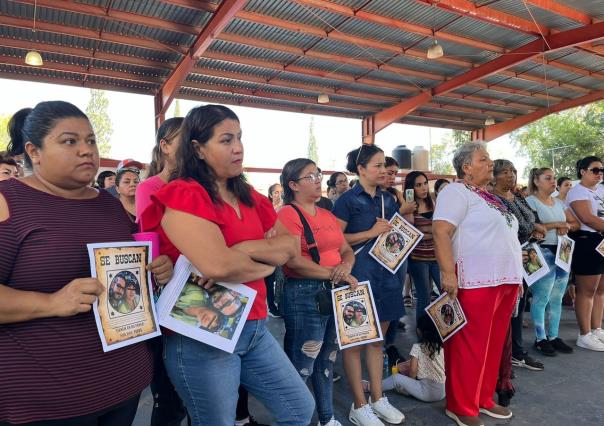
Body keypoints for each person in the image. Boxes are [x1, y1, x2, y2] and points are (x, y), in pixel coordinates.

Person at [140, 104, 315, 426]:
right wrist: (263, 261)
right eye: (225, 140)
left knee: (299, 408)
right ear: (198, 148)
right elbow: (219, 266)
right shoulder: (183, 194)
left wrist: (241, 249)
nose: (238, 148)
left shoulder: (251, 195)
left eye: (239, 138)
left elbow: (289, 247)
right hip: (202, 333)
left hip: (255, 326)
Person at [0, 101, 173, 425]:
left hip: (124, 383)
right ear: (33, 152)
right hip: (43, 400)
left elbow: (128, 273)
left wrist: (156, 269)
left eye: (91, 141)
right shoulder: (8, 200)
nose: (86, 150)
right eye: (70, 141)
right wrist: (51, 302)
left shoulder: (109, 207)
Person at [433, 142, 523, 426]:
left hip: (504, 279)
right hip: (475, 279)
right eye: (484, 159)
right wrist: (448, 273)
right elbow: (441, 231)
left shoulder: (489, 197)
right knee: (469, 345)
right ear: (466, 167)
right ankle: (460, 405)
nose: (490, 163)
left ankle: (482, 398)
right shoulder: (455, 192)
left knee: (492, 344)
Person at [276, 158, 358, 426]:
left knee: (327, 358)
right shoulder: (288, 214)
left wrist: (344, 266)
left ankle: (327, 417)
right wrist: (336, 274)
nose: (318, 180)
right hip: (304, 292)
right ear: (293, 185)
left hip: (333, 290)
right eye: (310, 176)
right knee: (303, 362)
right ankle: (293, 420)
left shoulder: (326, 213)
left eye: (318, 174)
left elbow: (345, 248)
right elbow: (292, 261)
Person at [333, 144, 406, 426]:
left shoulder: (388, 199)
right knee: (355, 343)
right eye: (376, 166)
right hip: (357, 278)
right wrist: (369, 232)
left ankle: (378, 398)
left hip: (387, 275)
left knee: (377, 341)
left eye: (383, 166)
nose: (382, 170)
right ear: (361, 169)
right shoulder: (347, 200)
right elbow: (335, 240)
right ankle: (359, 404)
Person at [490, 159, 546, 406]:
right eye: (504, 172)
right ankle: (504, 359)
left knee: (518, 308)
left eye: (513, 171)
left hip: (525, 255)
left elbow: (528, 221)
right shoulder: (492, 200)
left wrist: (538, 228)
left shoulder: (517, 197)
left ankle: (516, 352)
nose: (510, 176)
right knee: (506, 311)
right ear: (493, 176)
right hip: (504, 260)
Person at [525, 167, 579, 355]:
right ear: (536, 181)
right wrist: (559, 225)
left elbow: (575, 224)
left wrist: (567, 226)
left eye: (554, 178)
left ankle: (554, 336)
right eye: (548, 178)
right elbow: (533, 228)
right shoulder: (530, 202)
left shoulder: (559, 202)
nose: (553, 181)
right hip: (542, 251)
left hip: (562, 250)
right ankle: (540, 338)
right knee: (541, 297)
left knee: (557, 297)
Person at [565, 156, 604, 351]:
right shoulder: (577, 191)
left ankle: (596, 329)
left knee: (601, 289)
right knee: (586, 290)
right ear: (583, 171)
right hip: (588, 241)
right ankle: (584, 334)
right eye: (595, 170)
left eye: (601, 170)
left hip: (602, 240)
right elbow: (587, 218)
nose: (599, 174)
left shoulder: (602, 189)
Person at [363, 314, 445, 403]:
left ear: (419, 331)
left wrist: (409, 384)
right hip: (442, 393)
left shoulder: (418, 347)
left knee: (396, 378)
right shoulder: (441, 347)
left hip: (427, 393)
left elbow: (413, 372)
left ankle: (370, 386)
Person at [403, 171, 440, 323]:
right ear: (411, 188)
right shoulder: (408, 206)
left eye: (425, 183)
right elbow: (411, 232)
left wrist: (426, 233)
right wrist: (409, 204)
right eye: (418, 185)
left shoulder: (433, 201)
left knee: (446, 291)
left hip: (437, 256)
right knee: (424, 296)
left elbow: (441, 228)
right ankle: (423, 331)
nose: (424, 188)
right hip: (418, 258)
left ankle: (446, 328)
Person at [136, 117, 183, 221]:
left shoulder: (203, 184)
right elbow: (148, 233)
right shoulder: (147, 188)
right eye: (185, 141)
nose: (193, 147)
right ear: (165, 146)